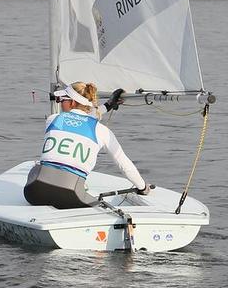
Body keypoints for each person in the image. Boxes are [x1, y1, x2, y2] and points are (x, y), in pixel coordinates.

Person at [23, 81, 150, 209]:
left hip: (34, 192)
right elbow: (124, 164)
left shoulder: (52, 119)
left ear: (72, 102)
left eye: (62, 99)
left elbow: (84, 119)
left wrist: (106, 106)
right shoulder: (102, 131)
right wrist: (142, 187)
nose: (60, 102)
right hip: (72, 197)